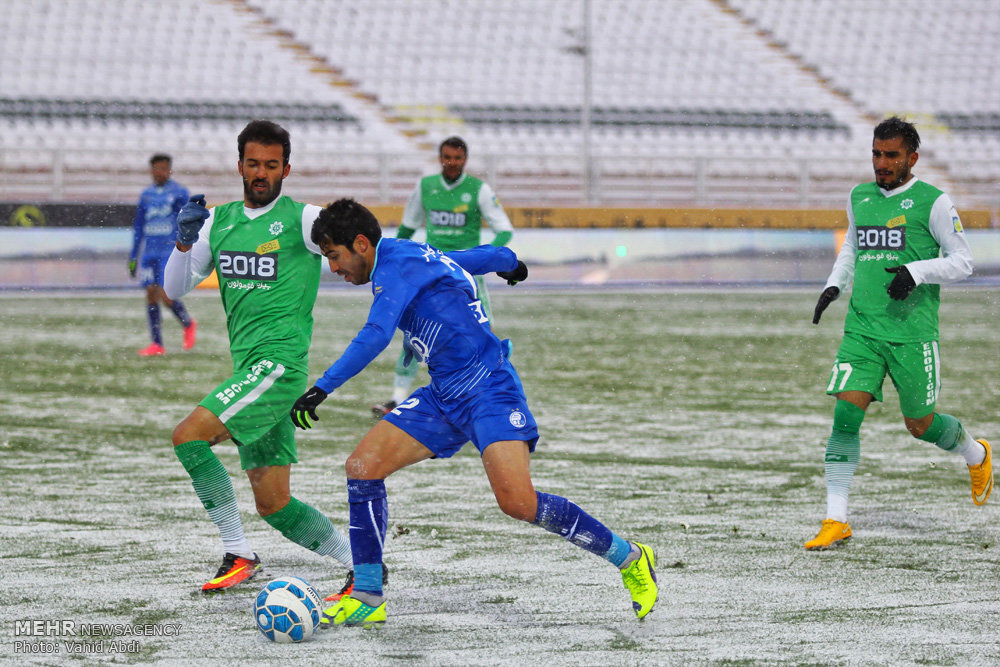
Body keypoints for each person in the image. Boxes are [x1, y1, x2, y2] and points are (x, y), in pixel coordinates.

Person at [289, 198, 658, 626]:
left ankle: (630, 557)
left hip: (489, 391)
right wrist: (509, 262)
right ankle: (369, 595)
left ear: (360, 244)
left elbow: (375, 335)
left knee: (519, 503)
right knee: (362, 466)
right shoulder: (407, 255)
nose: (333, 268)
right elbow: (469, 258)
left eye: (334, 256)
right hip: (443, 396)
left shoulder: (395, 267)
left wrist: (321, 388)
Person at [162, 120, 356, 593]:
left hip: (279, 368)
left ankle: (237, 551)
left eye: (272, 164)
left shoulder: (305, 220)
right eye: (253, 164)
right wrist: (184, 242)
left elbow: (359, 243)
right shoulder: (219, 222)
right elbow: (173, 288)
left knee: (189, 438)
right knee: (275, 505)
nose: (261, 173)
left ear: (287, 168)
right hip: (251, 371)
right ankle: (363, 564)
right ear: (240, 166)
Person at [808, 116, 992, 550]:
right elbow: (853, 244)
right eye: (876, 154)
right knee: (845, 415)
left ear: (913, 157)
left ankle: (976, 453)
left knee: (920, 425)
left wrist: (916, 270)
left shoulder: (934, 202)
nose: (882, 163)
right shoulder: (860, 197)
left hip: (912, 335)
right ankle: (836, 519)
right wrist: (834, 283)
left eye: (891, 155)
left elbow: (964, 261)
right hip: (863, 329)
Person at [371, 136, 514, 416]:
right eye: (447, 157)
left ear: (465, 160)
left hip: (467, 273)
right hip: (429, 272)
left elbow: (504, 229)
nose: (452, 163)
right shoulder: (426, 187)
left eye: (457, 158)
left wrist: (483, 256)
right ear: (440, 158)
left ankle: (495, 391)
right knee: (413, 335)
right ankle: (397, 400)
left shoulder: (479, 190)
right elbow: (407, 228)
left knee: (485, 333)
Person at [129, 154, 196, 356]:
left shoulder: (179, 193)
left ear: (169, 170)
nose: (158, 173)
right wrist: (133, 256)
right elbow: (139, 226)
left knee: (166, 296)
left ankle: (188, 323)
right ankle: (157, 344)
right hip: (150, 252)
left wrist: (186, 247)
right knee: (150, 295)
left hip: (168, 251)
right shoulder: (146, 195)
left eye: (162, 169)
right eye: (155, 169)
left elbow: (187, 220)